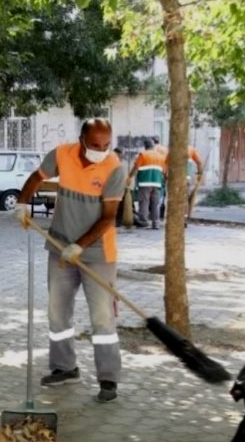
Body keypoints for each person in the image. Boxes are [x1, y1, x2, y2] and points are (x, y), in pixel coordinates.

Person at [16, 118, 127, 403]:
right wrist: (23, 202)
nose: (100, 150)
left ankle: (108, 379)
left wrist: (79, 246)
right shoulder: (62, 154)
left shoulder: (114, 167)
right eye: (94, 145)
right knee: (57, 313)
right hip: (59, 246)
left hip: (98, 254)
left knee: (102, 318)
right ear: (81, 140)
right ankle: (65, 368)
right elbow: (36, 177)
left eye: (106, 145)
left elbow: (108, 218)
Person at [127, 139, 166, 229]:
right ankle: (156, 223)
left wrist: (129, 177)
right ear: (153, 146)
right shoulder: (161, 156)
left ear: (145, 146)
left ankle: (143, 221)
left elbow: (136, 167)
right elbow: (164, 171)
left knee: (144, 202)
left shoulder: (143, 154)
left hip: (145, 183)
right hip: (157, 183)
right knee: (155, 204)